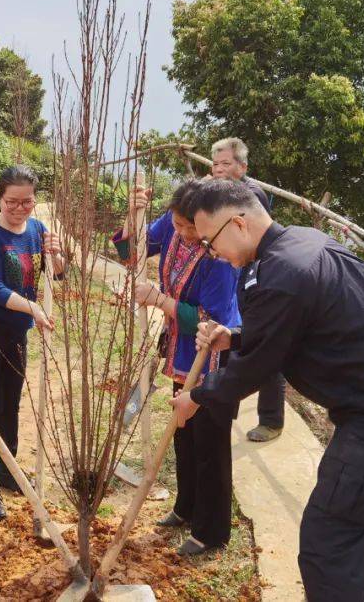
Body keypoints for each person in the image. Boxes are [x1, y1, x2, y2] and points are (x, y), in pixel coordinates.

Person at [171, 179, 364, 601]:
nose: (212, 254)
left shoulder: (283, 274)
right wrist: (236, 337)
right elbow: (289, 331)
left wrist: (197, 399)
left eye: (209, 242)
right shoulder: (300, 243)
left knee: (327, 540)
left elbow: (258, 367)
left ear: (238, 224)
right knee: (353, 518)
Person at [113, 180, 242, 555]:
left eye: (191, 228)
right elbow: (132, 251)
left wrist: (159, 300)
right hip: (181, 352)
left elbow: (212, 322)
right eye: (179, 224)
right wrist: (132, 214)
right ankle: (186, 508)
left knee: (210, 444)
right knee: (182, 433)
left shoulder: (219, 257)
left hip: (211, 356)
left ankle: (211, 531)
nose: (184, 233)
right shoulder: (171, 224)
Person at [0, 165, 64, 523]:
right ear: (0, 198)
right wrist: (32, 307)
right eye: (12, 202)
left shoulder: (37, 230)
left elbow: (57, 273)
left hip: (16, 332)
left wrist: (56, 254)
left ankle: (7, 469)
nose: (20, 209)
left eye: (28, 202)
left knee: (10, 403)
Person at [210, 136, 284, 442]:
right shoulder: (220, 193)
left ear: (243, 167)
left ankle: (271, 420)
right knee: (238, 338)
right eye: (215, 164)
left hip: (257, 278)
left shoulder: (250, 196)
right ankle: (229, 407)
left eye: (226, 164)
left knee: (264, 343)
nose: (219, 170)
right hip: (237, 276)